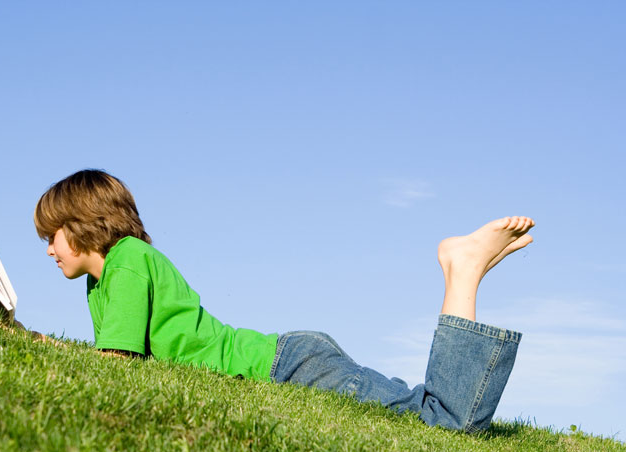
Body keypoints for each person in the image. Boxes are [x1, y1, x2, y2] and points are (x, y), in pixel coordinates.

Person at [30, 169, 535, 433]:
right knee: (415, 412)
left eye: (52, 234)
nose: (48, 249)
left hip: (289, 367)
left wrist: (32, 342)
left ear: (83, 225)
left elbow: (116, 364)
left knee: (441, 423)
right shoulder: (103, 282)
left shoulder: (127, 261)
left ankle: (463, 270)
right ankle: (464, 276)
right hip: (292, 359)